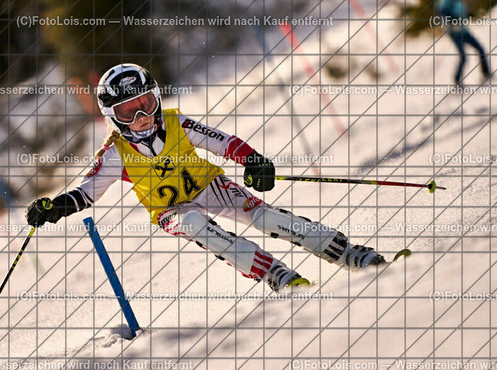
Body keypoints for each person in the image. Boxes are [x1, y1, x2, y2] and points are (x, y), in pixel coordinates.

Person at [26, 63, 386, 292]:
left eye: (145, 104)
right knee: (197, 225)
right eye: (128, 111)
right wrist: (54, 207)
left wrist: (253, 161)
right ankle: (275, 274)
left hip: (211, 187)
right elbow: (86, 193)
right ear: (113, 117)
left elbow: (223, 142)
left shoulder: (176, 123)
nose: (141, 117)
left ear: (155, 99)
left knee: (267, 218)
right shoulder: (115, 153)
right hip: (171, 210)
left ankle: (347, 252)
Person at [437, 0, 491, 86]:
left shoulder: (459, 2)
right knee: (464, 57)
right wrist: (453, 19)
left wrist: (468, 15)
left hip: (464, 31)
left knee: (480, 49)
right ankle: (457, 80)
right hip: (455, 33)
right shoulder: (447, 2)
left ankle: (486, 74)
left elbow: (461, 13)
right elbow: (443, 11)